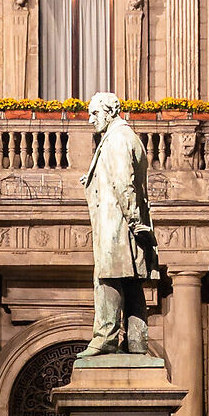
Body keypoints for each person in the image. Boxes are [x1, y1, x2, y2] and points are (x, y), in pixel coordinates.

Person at [78, 91, 159, 360]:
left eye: (94, 113)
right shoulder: (126, 138)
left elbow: (124, 183)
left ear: (110, 112)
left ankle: (105, 337)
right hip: (127, 224)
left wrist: (134, 221)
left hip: (119, 225)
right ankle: (136, 341)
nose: (90, 120)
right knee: (132, 282)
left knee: (108, 278)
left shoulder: (117, 140)